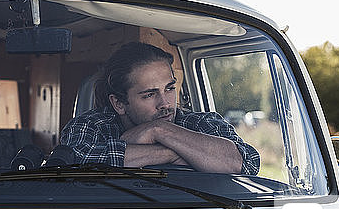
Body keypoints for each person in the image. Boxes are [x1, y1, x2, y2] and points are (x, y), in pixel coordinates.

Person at [61, 42, 260, 175]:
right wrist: (172, 153)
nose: (165, 103)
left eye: (170, 88)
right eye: (149, 94)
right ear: (119, 103)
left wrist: (160, 130)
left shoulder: (203, 123)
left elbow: (245, 163)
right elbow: (73, 161)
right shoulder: (90, 126)